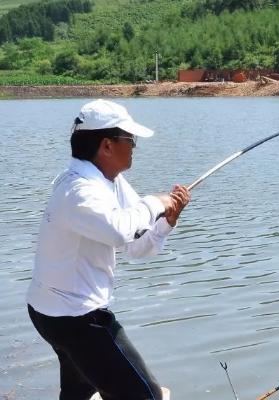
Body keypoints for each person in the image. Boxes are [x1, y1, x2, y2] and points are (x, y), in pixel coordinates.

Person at [26, 99, 190, 400]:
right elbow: (119, 230)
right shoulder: (77, 190)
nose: (134, 146)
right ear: (106, 146)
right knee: (147, 396)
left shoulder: (110, 181)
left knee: (81, 390)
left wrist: (166, 221)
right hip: (73, 317)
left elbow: (136, 245)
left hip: (57, 312)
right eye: (130, 139)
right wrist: (155, 202)